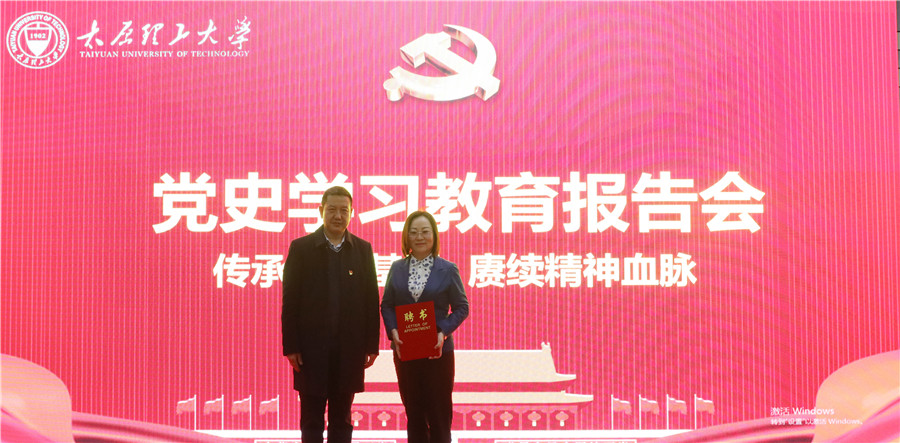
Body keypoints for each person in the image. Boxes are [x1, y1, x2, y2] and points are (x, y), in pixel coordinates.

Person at [281, 186, 380, 443]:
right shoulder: (301, 248)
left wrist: (372, 345)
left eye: (344, 210)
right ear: (321, 211)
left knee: (342, 419)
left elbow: (371, 300)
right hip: (310, 351)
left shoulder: (362, 250)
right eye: (332, 209)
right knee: (311, 419)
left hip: (349, 350)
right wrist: (291, 346)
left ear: (352, 213)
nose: (338, 216)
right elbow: (290, 301)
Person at [381, 211, 469, 443]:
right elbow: (387, 304)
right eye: (413, 232)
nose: (419, 237)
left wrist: (443, 331)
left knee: (439, 415)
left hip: (437, 352)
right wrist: (393, 331)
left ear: (434, 236)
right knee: (414, 414)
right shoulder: (397, 268)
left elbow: (462, 307)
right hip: (406, 352)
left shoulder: (447, 269)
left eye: (425, 231)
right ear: (406, 237)